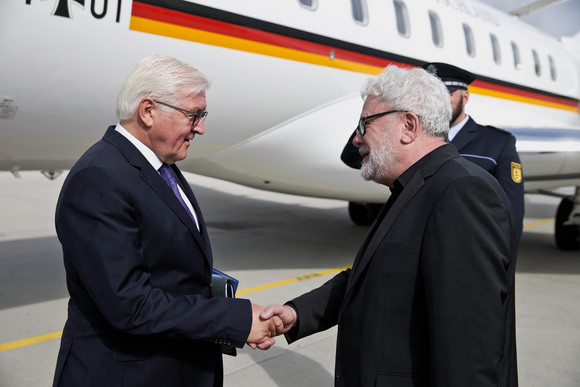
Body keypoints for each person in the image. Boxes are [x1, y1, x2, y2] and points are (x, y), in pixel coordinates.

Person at [262, 65, 519, 386]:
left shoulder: (460, 192)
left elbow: (470, 348)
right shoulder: (416, 186)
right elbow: (373, 277)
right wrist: (299, 313)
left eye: (364, 124)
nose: (357, 139)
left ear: (408, 125)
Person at [52, 55, 279, 387]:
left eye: (203, 116)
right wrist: (237, 319)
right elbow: (130, 304)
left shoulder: (160, 165)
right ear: (148, 111)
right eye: (193, 115)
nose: (200, 127)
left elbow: (170, 267)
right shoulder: (100, 179)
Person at [341, 62, 524, 241]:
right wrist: (369, 123)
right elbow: (351, 157)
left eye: (446, 93)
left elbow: (510, 211)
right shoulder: (414, 134)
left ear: (465, 97)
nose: (439, 100)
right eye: (432, 94)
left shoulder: (496, 142)